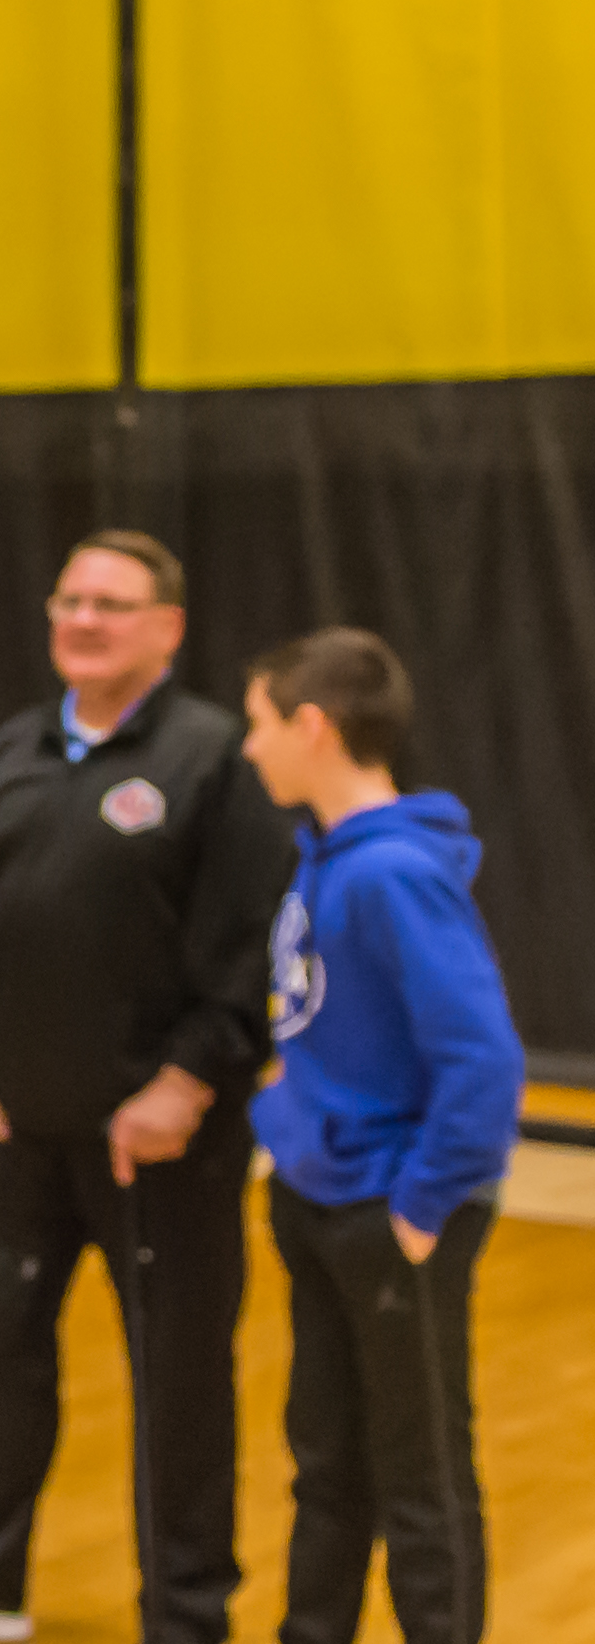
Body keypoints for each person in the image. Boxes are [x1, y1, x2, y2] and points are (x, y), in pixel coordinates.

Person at [0, 531, 295, 1644]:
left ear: (167, 629)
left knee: (179, 1384)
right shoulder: (11, 751)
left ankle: (186, 1614)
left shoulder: (217, 758)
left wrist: (187, 1080)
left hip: (162, 1145)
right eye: (70, 600)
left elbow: (251, 944)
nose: (84, 620)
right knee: (3, 1348)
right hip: (27, 1132)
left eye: (111, 604)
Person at [238, 629, 522, 1644]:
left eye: (260, 722)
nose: (249, 747)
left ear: (312, 726)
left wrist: (417, 1208)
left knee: (420, 1475)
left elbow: (482, 1063)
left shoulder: (392, 872)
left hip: (387, 1211)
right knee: (325, 1462)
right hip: (318, 1196)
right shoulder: (324, 860)